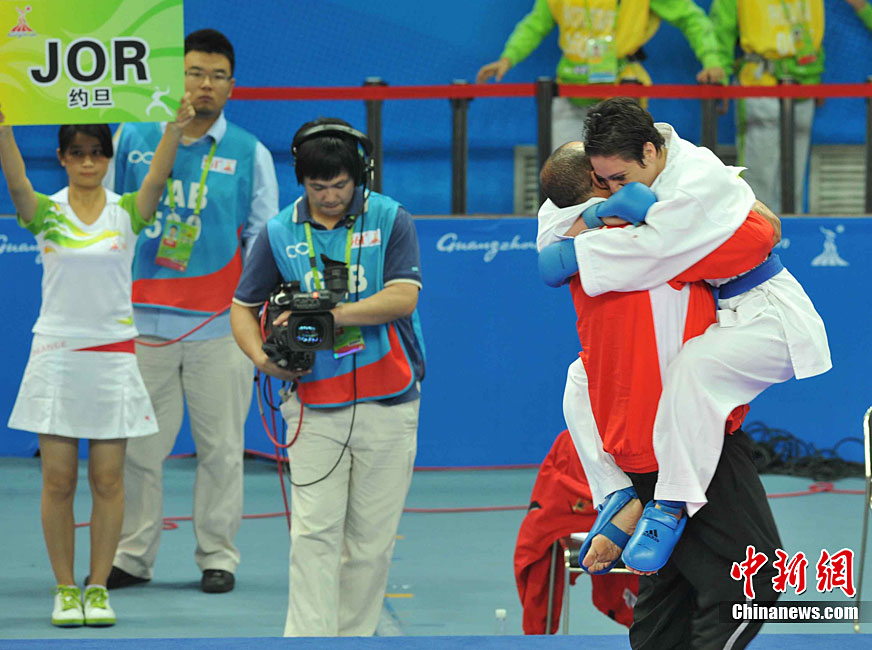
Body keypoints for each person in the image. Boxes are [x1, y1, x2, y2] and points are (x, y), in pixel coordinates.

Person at [539, 128, 829, 574]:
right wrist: (598, 218)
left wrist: (609, 232)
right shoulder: (599, 207)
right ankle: (616, 493)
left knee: (692, 370)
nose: (616, 187)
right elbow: (550, 255)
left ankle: (671, 503)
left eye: (617, 179)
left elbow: (763, 231)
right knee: (581, 378)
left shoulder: (682, 180)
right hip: (720, 317)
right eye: (606, 183)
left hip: (766, 310)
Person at [0, 95, 194, 627]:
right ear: (62, 157)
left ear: (109, 157)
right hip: (57, 357)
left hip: (111, 359)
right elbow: (16, 182)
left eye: (97, 152)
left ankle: (99, 588)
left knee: (109, 481)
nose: (88, 162)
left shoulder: (127, 212)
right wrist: (4, 131)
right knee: (58, 482)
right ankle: (66, 589)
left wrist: (173, 130)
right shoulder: (45, 212)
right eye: (77, 152)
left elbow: (157, 177)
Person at [230, 117, 426, 637]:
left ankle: (354, 639)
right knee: (313, 535)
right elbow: (242, 306)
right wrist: (261, 358)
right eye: (319, 187)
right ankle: (308, 642)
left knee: (370, 543)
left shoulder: (391, 218)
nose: (331, 196)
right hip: (313, 406)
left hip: (390, 401)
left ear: (360, 175)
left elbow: (404, 295)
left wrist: (332, 316)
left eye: (341, 185)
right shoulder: (279, 231)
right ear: (301, 179)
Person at [103, 28, 279, 594]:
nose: (205, 84)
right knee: (137, 452)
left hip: (219, 329)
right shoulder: (132, 136)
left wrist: (251, 319)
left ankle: (218, 556)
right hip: (142, 325)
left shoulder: (250, 152)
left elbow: (262, 242)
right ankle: (132, 556)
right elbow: (106, 218)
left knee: (222, 450)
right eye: (195, 73)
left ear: (232, 85)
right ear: (175, 77)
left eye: (217, 76)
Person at [475, 0, 725, 148]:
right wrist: (508, 57)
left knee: (620, 174)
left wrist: (712, 60)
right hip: (568, 91)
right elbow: (535, 24)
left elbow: (691, 18)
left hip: (620, 91)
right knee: (566, 174)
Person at [710, 0, 825, 213]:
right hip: (760, 85)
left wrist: (815, 79)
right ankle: (756, 229)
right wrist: (721, 78)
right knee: (758, 177)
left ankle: (793, 232)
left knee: (795, 178)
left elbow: (811, 35)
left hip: (803, 86)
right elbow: (720, 31)